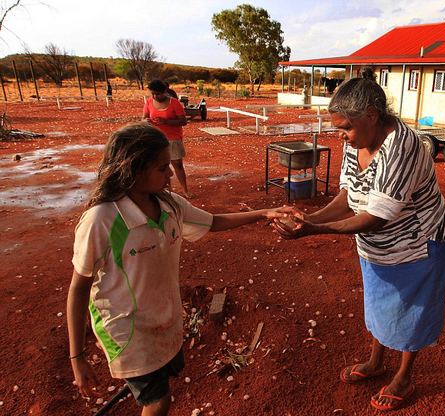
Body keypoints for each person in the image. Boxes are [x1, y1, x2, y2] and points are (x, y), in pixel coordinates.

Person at [67, 122, 285, 416]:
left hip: (164, 319)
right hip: (126, 329)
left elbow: (213, 221)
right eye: (162, 168)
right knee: (159, 402)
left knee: (158, 384)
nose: (171, 173)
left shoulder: (170, 205)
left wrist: (265, 212)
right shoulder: (102, 220)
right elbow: (79, 287)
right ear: (133, 170)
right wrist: (77, 357)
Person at [273, 67, 445, 412]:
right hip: (377, 245)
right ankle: (375, 362)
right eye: (338, 129)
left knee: (411, 310)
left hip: (417, 244)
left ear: (372, 116)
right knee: (382, 303)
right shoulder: (357, 141)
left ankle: (404, 375)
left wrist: (315, 230)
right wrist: (309, 218)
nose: (341, 136)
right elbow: (348, 195)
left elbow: (376, 217)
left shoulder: (404, 146)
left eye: (345, 128)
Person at [142, 79, 192, 198]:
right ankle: (166, 189)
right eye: (153, 94)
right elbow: (143, 118)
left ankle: (185, 190)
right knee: (161, 166)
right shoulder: (149, 102)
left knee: (177, 164)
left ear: (164, 91)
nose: (155, 96)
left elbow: (183, 121)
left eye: (158, 94)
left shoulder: (174, 103)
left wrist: (166, 121)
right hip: (156, 138)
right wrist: (145, 121)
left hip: (173, 138)